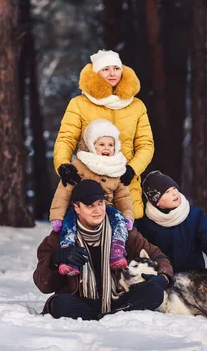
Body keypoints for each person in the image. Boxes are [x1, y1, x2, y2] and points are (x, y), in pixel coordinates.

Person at [33, 179, 174, 321]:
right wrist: (55, 259)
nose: (97, 210)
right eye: (90, 205)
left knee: (154, 291)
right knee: (59, 304)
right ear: (76, 207)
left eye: (100, 203)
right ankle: (111, 317)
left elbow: (157, 256)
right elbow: (43, 285)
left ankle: (107, 316)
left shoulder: (122, 232)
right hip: (80, 300)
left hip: (118, 297)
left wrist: (163, 277)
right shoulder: (59, 238)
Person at [53, 50, 154, 222]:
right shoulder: (79, 104)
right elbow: (66, 138)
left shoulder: (137, 106)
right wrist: (63, 165)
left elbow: (146, 144)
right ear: (96, 73)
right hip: (89, 187)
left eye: (116, 68)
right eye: (106, 69)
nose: (112, 73)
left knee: (126, 243)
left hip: (125, 185)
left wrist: (132, 169)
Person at [49, 119, 134, 275]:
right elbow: (64, 192)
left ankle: (117, 249)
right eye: (101, 144)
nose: (106, 148)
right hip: (81, 209)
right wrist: (57, 216)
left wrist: (128, 215)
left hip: (106, 208)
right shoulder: (80, 164)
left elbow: (123, 195)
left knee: (119, 220)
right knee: (69, 225)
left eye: (110, 144)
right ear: (90, 145)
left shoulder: (117, 167)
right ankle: (68, 257)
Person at [138, 171, 207, 279]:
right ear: (156, 201)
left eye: (174, 188)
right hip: (164, 279)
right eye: (167, 192)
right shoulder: (145, 223)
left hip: (195, 278)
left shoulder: (195, 216)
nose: (174, 193)